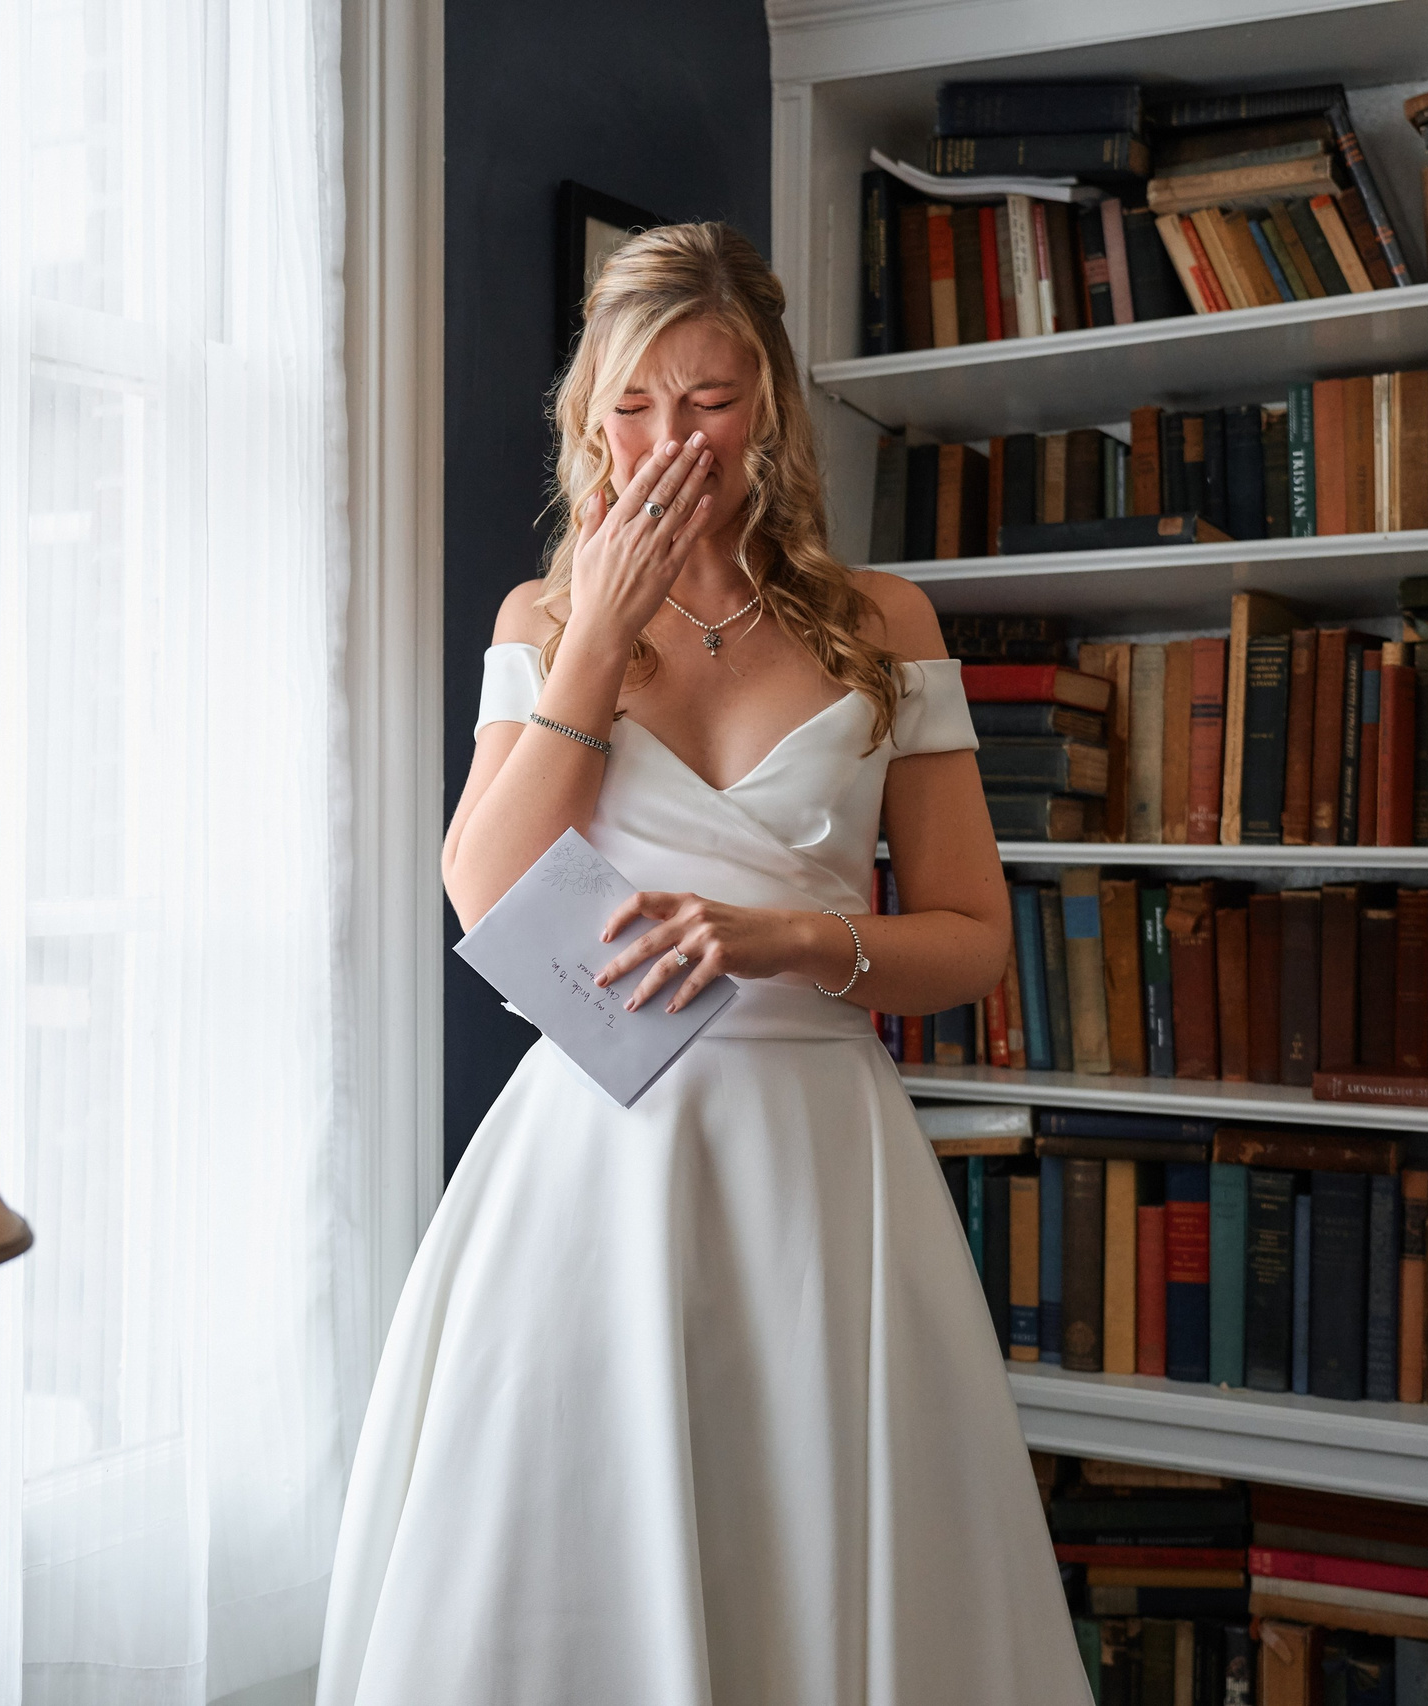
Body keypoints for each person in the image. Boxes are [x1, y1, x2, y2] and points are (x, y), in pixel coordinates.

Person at [316, 222, 1087, 1705]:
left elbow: (972, 939)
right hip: (599, 1152)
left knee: (816, 1557)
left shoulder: (886, 626)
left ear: (772, 412)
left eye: (712, 398)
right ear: (591, 420)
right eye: (634, 405)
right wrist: (596, 636)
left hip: (819, 1157)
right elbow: (481, 882)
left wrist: (793, 935)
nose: (673, 437)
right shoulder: (542, 624)